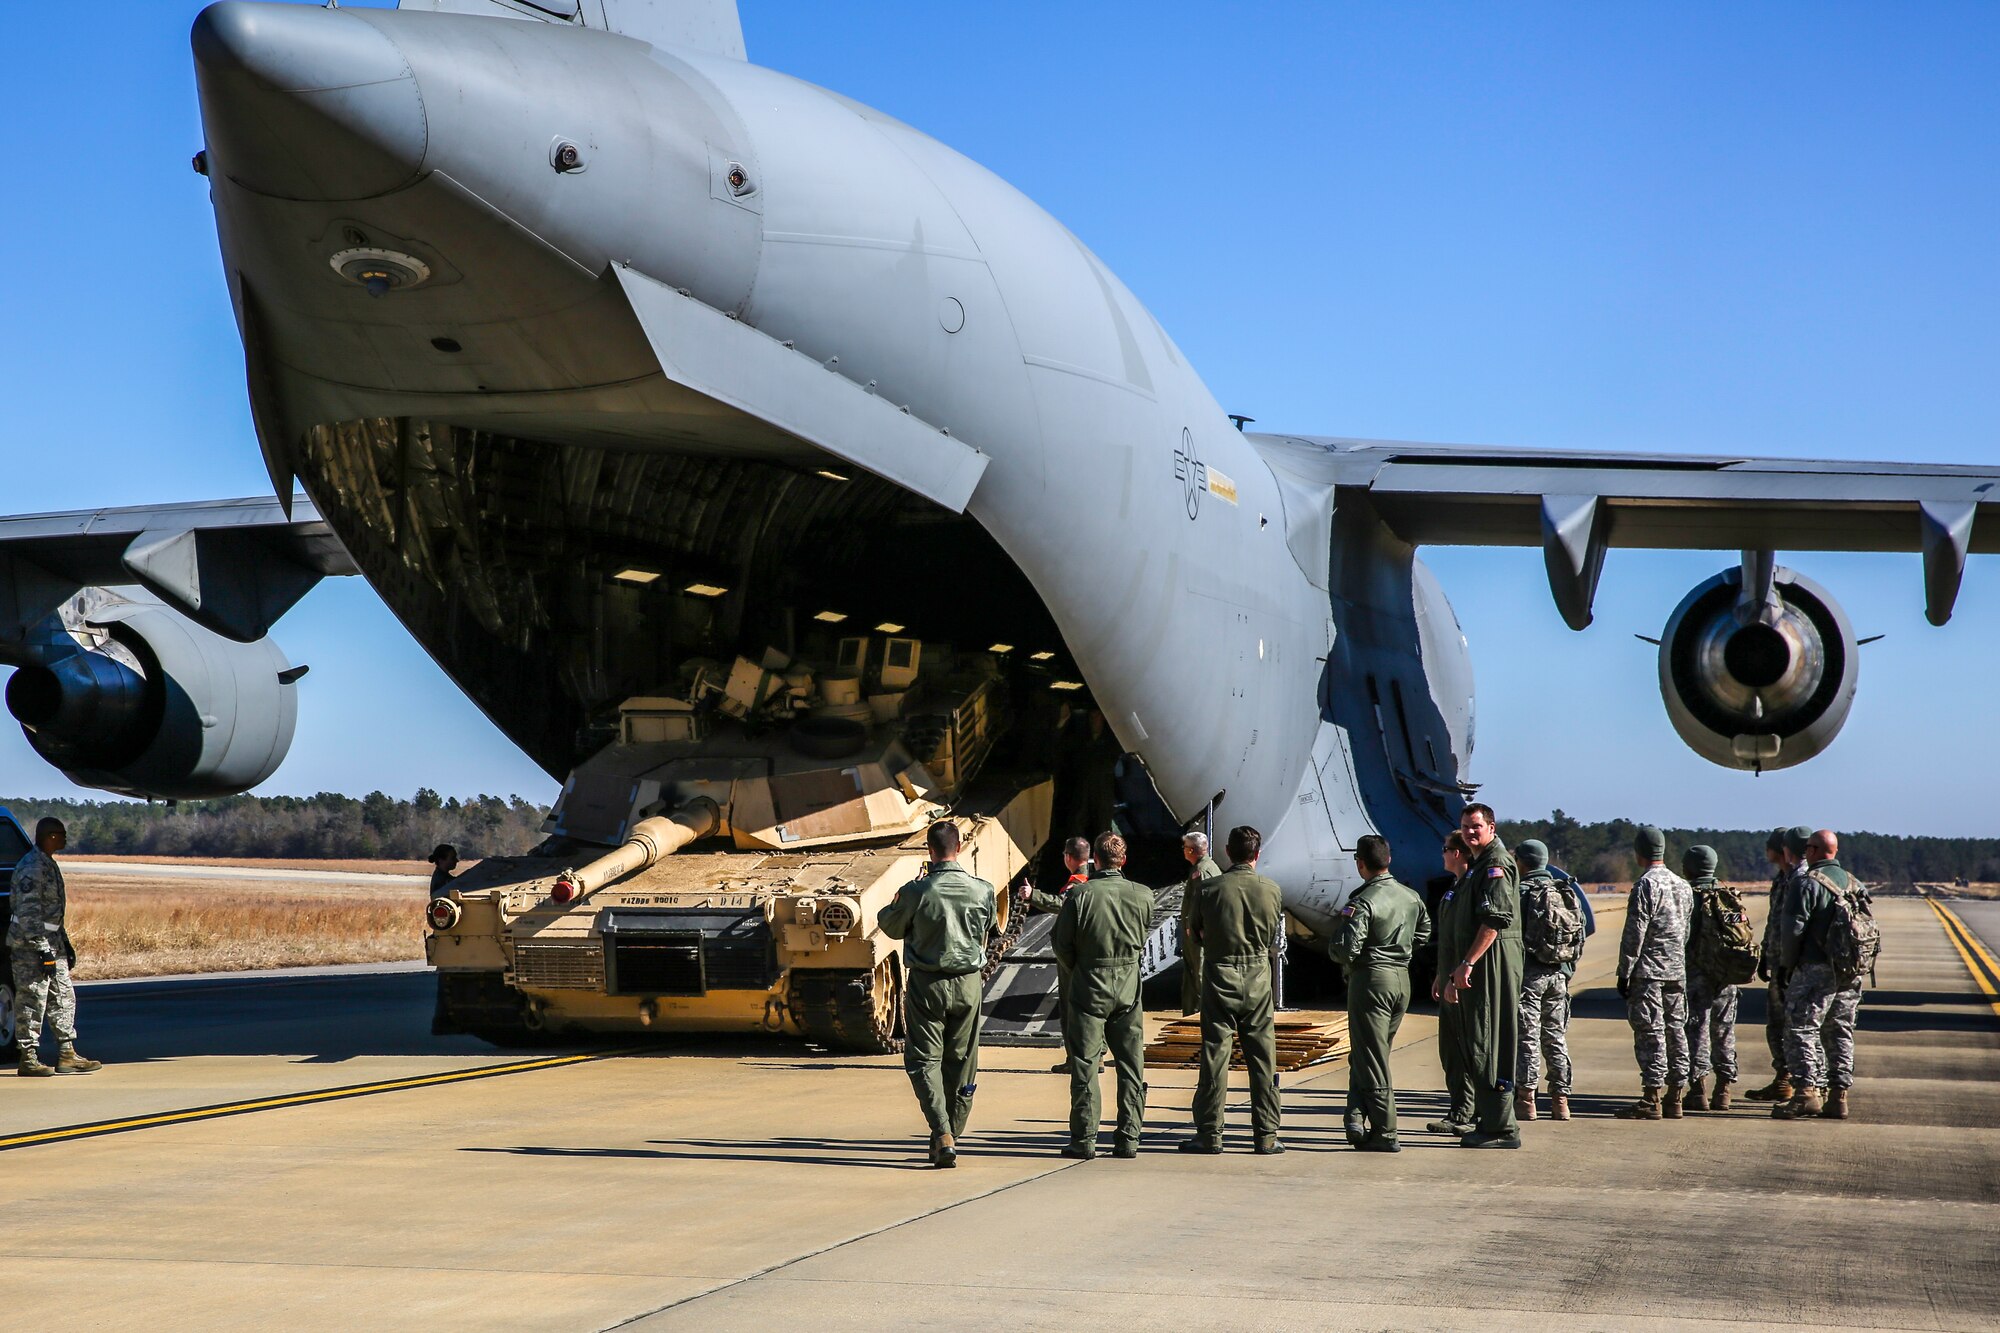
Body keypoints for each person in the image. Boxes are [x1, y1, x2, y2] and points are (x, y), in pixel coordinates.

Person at [878, 821, 998, 1167]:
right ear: (958, 847)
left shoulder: (917, 891)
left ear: (929, 850)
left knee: (923, 1061)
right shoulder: (983, 889)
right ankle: (952, 1134)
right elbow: (988, 926)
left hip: (927, 985)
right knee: (962, 1062)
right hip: (968, 983)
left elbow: (889, 923)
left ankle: (942, 1131)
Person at [1180, 825, 1285, 1155]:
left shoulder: (1209, 888)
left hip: (1219, 974)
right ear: (1257, 853)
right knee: (1263, 1058)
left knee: (1215, 1054)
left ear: (1227, 852)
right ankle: (1266, 1135)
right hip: (1257, 978)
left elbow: (1193, 933)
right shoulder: (1271, 889)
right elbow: (1272, 938)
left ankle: (1210, 1133)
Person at [1052, 832, 1153, 1158]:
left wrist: (1082, 970)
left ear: (1095, 858)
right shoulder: (1143, 895)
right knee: (1131, 1066)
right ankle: (1129, 1138)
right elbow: (1142, 938)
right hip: (1127, 987)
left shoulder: (1080, 896)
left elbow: (1062, 945)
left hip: (1089, 987)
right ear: (1123, 860)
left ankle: (1084, 1140)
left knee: (1084, 1064)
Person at [1329, 834, 1429, 1152]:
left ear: (1361, 863)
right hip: (1401, 980)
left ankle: (1385, 1131)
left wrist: (1337, 948)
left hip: (1371, 981)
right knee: (1370, 1053)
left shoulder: (1363, 900)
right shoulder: (1410, 896)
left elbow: (1346, 949)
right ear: (1388, 861)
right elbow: (1424, 932)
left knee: (1371, 1058)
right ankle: (1356, 1119)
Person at [1441, 803, 1523, 1148]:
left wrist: (1469, 963)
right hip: (1480, 962)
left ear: (1491, 827)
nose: (1470, 832)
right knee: (1480, 1039)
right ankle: (1491, 1121)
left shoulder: (1495, 864)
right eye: (1465, 827)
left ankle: (1501, 1128)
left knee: (1491, 1039)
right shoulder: (1478, 866)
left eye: (1476, 826)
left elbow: (1495, 919)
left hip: (1491, 963)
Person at [1773, 829, 1866, 1121]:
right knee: (1839, 1030)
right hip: (1849, 971)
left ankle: (1805, 1094)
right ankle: (1838, 1097)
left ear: (1812, 851)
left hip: (1815, 968)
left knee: (1800, 1028)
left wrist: (1786, 967)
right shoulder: (1854, 882)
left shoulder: (1806, 884)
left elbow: (1793, 930)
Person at [8, 818, 100, 1076]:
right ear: (49, 836)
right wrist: (42, 949)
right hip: (30, 947)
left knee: (63, 997)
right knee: (32, 1000)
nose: (65, 839)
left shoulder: (47, 863)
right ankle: (28, 1058)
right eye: (61, 834)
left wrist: (63, 944)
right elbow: (28, 914)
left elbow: (52, 916)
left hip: (52, 944)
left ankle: (67, 1054)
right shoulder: (32, 867)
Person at [1614, 826, 1694, 1121]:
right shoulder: (1682, 885)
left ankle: (1652, 1097)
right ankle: (1676, 1096)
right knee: (1676, 1030)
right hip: (1676, 970)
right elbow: (1686, 930)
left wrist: (1625, 971)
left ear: (1641, 852)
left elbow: (1635, 931)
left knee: (1651, 1033)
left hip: (1648, 971)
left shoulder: (1646, 885)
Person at [1514, 839, 1578, 1123]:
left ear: (1523, 862)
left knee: (1528, 1037)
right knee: (1555, 1037)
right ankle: (1561, 1101)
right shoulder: (1565, 891)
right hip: (1559, 975)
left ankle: (1527, 1100)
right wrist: (1566, 969)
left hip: (1529, 975)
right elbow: (1578, 934)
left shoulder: (1520, 892)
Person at [1023, 837, 1094, 1073]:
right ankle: (1095, 1054)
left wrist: (1033, 895)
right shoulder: (1094, 876)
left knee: (1072, 1007)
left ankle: (1076, 1058)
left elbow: (1062, 903)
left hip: (1073, 955)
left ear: (1068, 858)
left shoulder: (1078, 882)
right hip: (1089, 950)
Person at [1744, 828, 1803, 1103]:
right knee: (1777, 1025)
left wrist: (1787, 963)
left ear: (1780, 850)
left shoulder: (1800, 880)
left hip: (1794, 967)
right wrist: (1766, 954)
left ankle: (1797, 1082)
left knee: (1795, 1026)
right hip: (1780, 962)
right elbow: (1775, 921)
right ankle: (1784, 1079)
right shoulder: (1783, 878)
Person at [1682, 844, 1741, 1112]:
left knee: (1696, 1029)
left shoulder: (1687, 895)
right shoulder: (1729, 894)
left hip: (1695, 972)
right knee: (1724, 1030)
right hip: (1725, 974)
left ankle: (1698, 1090)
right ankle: (1724, 1089)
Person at [1427, 831, 1478, 1137]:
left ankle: (1465, 1112)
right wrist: (1440, 973)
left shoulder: (1469, 888)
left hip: (1460, 983)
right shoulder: (1455, 888)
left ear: (1458, 854)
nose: (1443, 854)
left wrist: (1455, 979)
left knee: (1463, 1049)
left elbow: (1465, 940)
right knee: (1451, 1050)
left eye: (1446, 849)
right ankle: (1460, 1107)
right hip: (1448, 976)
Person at [1177, 831, 1222, 1015]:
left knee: (1201, 972)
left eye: (1184, 848)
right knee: (1193, 972)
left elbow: (1205, 903)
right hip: (1196, 932)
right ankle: (1192, 1013)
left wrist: (1197, 928)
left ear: (1191, 850)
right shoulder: (1204, 868)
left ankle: (1207, 1015)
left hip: (1200, 934)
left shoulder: (1202, 871)